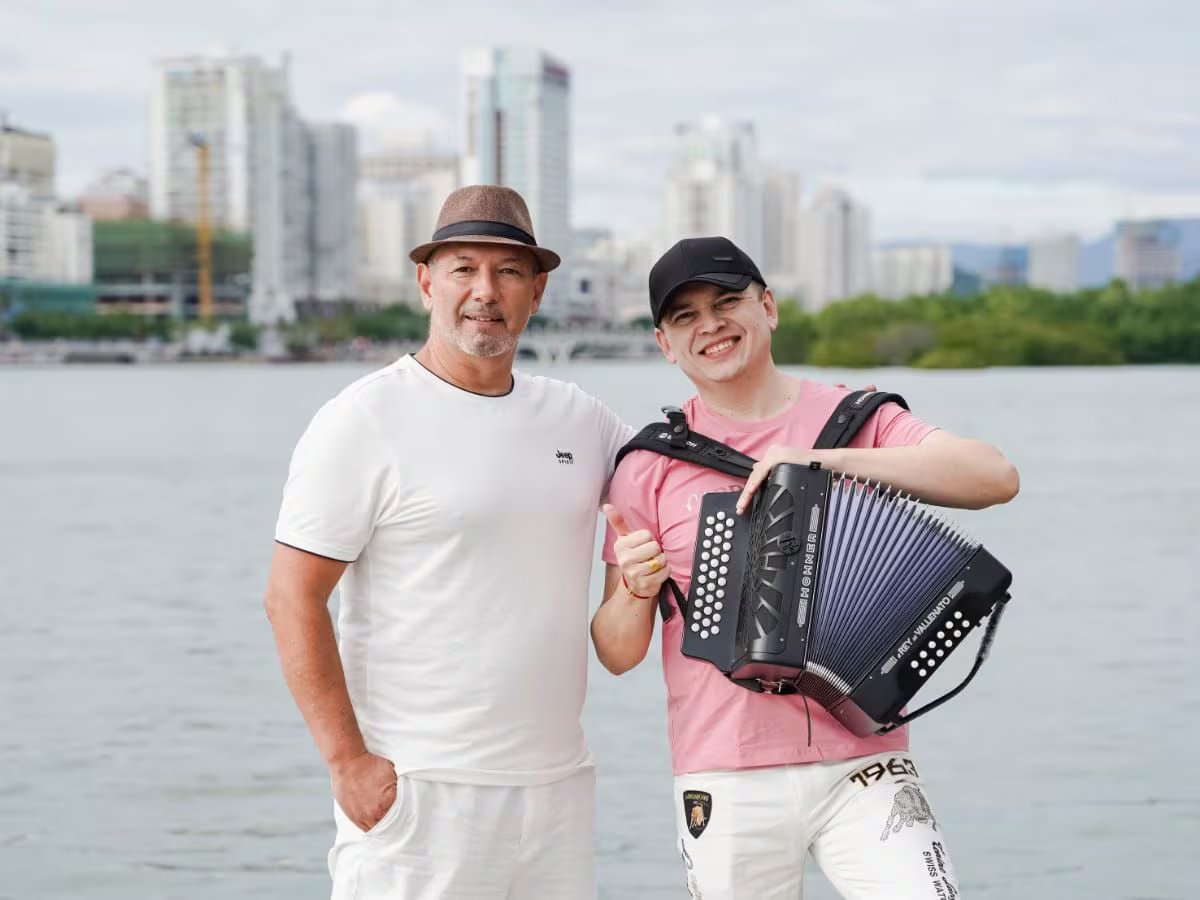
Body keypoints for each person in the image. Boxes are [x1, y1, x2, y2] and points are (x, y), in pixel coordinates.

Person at [591, 236, 1020, 900]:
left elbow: (994, 477)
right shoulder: (647, 466)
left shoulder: (859, 419)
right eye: (685, 316)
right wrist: (633, 591)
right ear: (664, 344)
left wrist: (822, 463)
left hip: (867, 764)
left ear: (768, 306)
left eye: (727, 301)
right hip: (725, 772)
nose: (710, 324)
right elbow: (617, 653)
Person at [264, 185, 630, 900]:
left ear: (538, 289)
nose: (484, 292)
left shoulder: (580, 420)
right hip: (420, 795)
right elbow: (290, 598)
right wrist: (346, 762)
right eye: (463, 268)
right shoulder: (365, 418)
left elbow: (684, 476)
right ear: (427, 280)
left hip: (556, 791)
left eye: (508, 272)